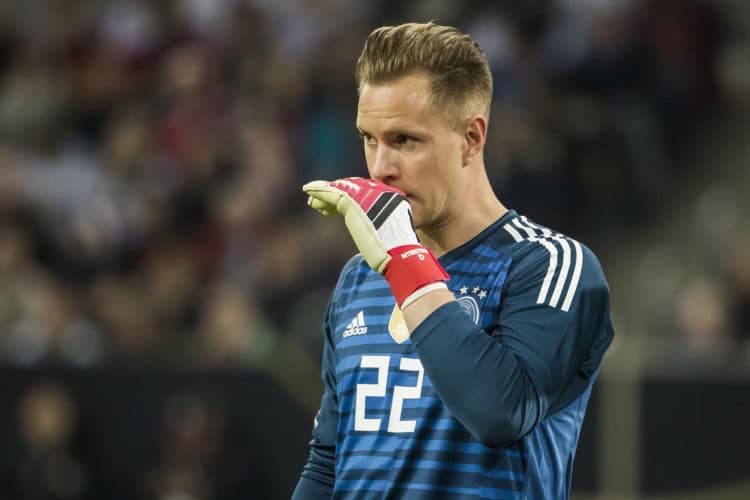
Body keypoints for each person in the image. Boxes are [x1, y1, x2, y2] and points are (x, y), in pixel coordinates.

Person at [293, 21, 614, 500]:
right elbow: (328, 462)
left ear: (471, 137)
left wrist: (405, 261)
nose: (380, 167)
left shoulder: (550, 266)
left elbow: (500, 413)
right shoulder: (360, 277)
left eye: (404, 140)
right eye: (369, 138)